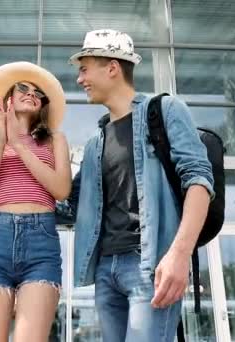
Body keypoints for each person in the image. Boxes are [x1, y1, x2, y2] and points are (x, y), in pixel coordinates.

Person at [56, 29, 215, 341]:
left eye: (85, 69)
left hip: (149, 265)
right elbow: (72, 208)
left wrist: (179, 255)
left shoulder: (164, 110)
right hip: (105, 272)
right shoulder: (94, 143)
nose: (80, 79)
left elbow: (198, 180)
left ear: (112, 68)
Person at [0, 61, 72, 342]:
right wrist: (2, 143)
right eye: (23, 88)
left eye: (38, 93)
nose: (31, 93)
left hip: (41, 244)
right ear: (8, 99)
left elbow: (61, 189)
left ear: (43, 105)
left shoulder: (55, 140)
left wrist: (20, 144)